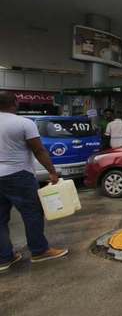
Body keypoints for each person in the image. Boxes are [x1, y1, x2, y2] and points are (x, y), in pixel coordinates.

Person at [0, 91, 68, 271]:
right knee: (32, 213)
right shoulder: (23, 123)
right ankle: (39, 251)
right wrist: (52, 172)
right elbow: (39, 150)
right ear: (15, 103)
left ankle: (4, 258)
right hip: (18, 174)